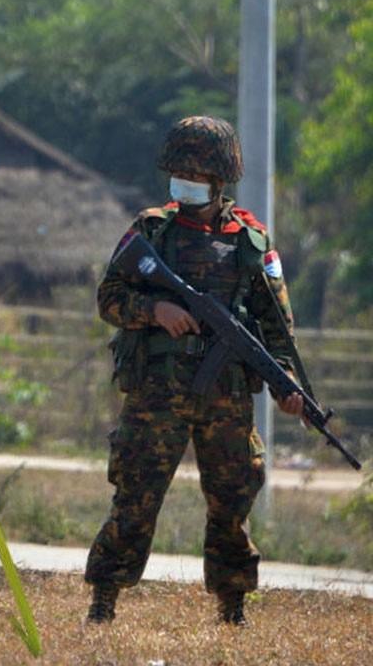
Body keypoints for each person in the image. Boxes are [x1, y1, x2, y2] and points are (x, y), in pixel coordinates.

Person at [84, 115, 305, 627]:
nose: (184, 182)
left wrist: (286, 385)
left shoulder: (251, 242)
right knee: (136, 498)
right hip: (156, 393)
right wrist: (154, 312)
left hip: (225, 397)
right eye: (179, 172)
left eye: (195, 174)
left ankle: (232, 607)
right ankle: (103, 602)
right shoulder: (151, 230)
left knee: (231, 502)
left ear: (219, 179)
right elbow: (109, 297)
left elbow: (277, 328)